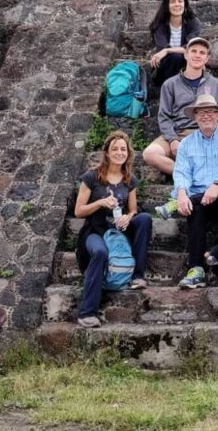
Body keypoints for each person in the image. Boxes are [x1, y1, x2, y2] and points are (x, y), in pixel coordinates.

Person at [73, 131, 152, 328]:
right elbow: (79, 211)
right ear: (107, 153)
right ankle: (87, 313)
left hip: (118, 232)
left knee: (144, 219)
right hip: (95, 232)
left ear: (128, 153)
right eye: (114, 149)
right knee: (100, 252)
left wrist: (128, 216)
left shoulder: (129, 180)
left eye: (123, 149)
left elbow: (133, 209)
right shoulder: (91, 177)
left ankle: (138, 276)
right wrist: (100, 202)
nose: (119, 152)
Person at [143, 37, 218, 178]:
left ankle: (191, 175)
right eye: (193, 51)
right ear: (186, 55)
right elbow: (164, 116)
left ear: (207, 58)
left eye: (202, 53)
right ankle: (190, 175)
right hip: (178, 132)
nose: (197, 55)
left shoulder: (215, 84)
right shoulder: (170, 84)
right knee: (150, 154)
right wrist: (172, 139)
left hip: (204, 134)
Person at [171, 93, 218, 289]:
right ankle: (197, 270)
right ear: (195, 116)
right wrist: (180, 194)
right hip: (200, 203)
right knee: (194, 209)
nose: (206, 116)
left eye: (211, 112)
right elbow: (181, 173)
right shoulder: (186, 143)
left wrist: (217, 185)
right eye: (201, 112)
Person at [148, 0, 202, 90]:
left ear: (185, 4)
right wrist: (166, 50)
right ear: (166, 5)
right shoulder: (159, 25)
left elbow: (191, 46)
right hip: (165, 68)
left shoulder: (193, 22)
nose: (177, 4)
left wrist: (167, 50)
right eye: (172, 1)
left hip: (187, 65)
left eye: (180, 1)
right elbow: (162, 47)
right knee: (175, 57)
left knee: (180, 57)